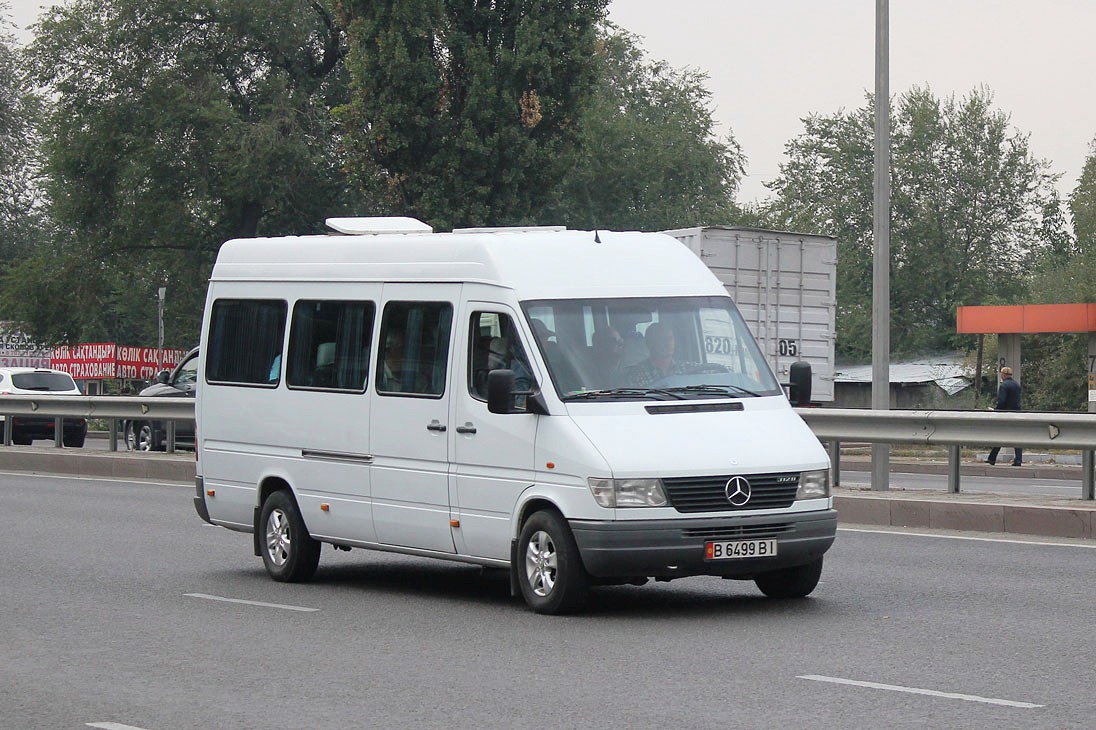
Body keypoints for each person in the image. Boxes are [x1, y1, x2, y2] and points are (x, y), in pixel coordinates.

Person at [624, 322, 695, 387]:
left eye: (670, 338)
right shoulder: (637, 375)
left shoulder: (688, 368)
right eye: (662, 339)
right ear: (650, 343)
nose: (668, 343)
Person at [985, 366, 1022, 466]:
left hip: (1006, 414)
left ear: (1003, 374)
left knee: (1000, 435)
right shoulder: (1016, 385)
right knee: (1016, 437)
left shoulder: (1004, 386)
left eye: (1001, 374)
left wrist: (996, 410)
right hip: (1016, 413)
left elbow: (1002, 401)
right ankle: (1018, 459)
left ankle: (992, 458)